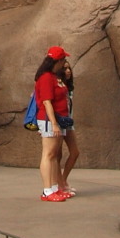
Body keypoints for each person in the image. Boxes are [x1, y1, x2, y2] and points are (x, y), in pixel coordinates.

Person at [33, 49, 72, 202]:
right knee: (48, 154)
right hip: (50, 120)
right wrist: (54, 124)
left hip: (58, 119)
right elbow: (46, 102)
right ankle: (47, 190)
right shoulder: (46, 77)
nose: (64, 64)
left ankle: (55, 188)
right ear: (57, 61)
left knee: (54, 155)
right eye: (62, 60)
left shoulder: (54, 77)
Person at [58, 53, 80, 193]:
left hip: (68, 123)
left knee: (75, 152)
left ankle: (63, 180)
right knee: (56, 155)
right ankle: (59, 184)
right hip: (58, 123)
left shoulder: (69, 88)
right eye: (65, 68)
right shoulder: (58, 86)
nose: (68, 71)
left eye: (69, 68)